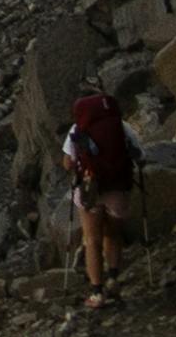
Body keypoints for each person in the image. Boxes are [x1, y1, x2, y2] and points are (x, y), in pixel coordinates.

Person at [56, 79, 141, 310]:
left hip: (90, 189)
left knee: (91, 240)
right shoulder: (120, 125)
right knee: (113, 234)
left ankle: (97, 292)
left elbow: (67, 162)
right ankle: (113, 277)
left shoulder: (78, 130)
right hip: (118, 187)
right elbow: (137, 152)